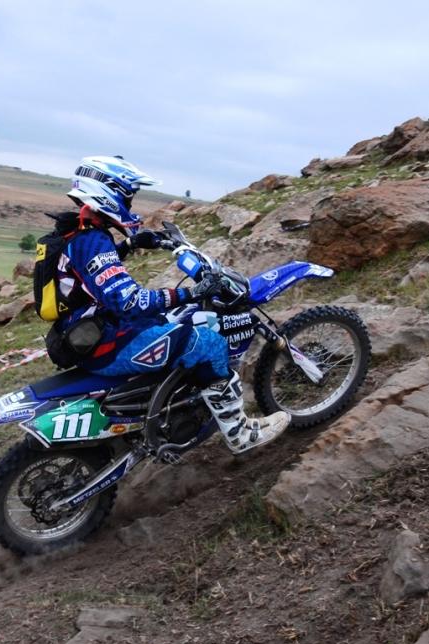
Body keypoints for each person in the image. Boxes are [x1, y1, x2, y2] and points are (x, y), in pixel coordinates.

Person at [51, 155, 290, 454]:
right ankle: (239, 434)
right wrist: (192, 292)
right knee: (209, 343)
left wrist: (130, 245)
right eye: (129, 195)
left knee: (173, 322)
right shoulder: (93, 241)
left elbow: (88, 273)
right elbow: (132, 302)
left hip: (85, 331)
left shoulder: (77, 232)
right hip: (105, 342)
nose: (130, 202)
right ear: (109, 192)